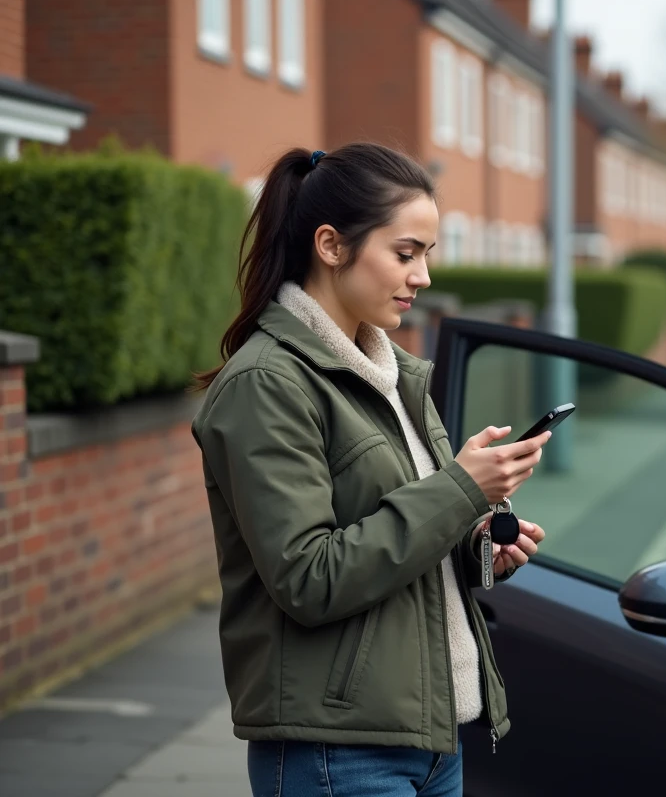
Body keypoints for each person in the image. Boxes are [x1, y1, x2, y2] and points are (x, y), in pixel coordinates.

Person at [191, 142, 550, 797]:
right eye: (405, 253)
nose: (423, 277)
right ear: (332, 246)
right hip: (337, 751)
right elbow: (309, 577)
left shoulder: (395, 378)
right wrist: (463, 486)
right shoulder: (267, 384)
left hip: (433, 736)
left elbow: (396, 540)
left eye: (427, 256)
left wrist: (476, 551)